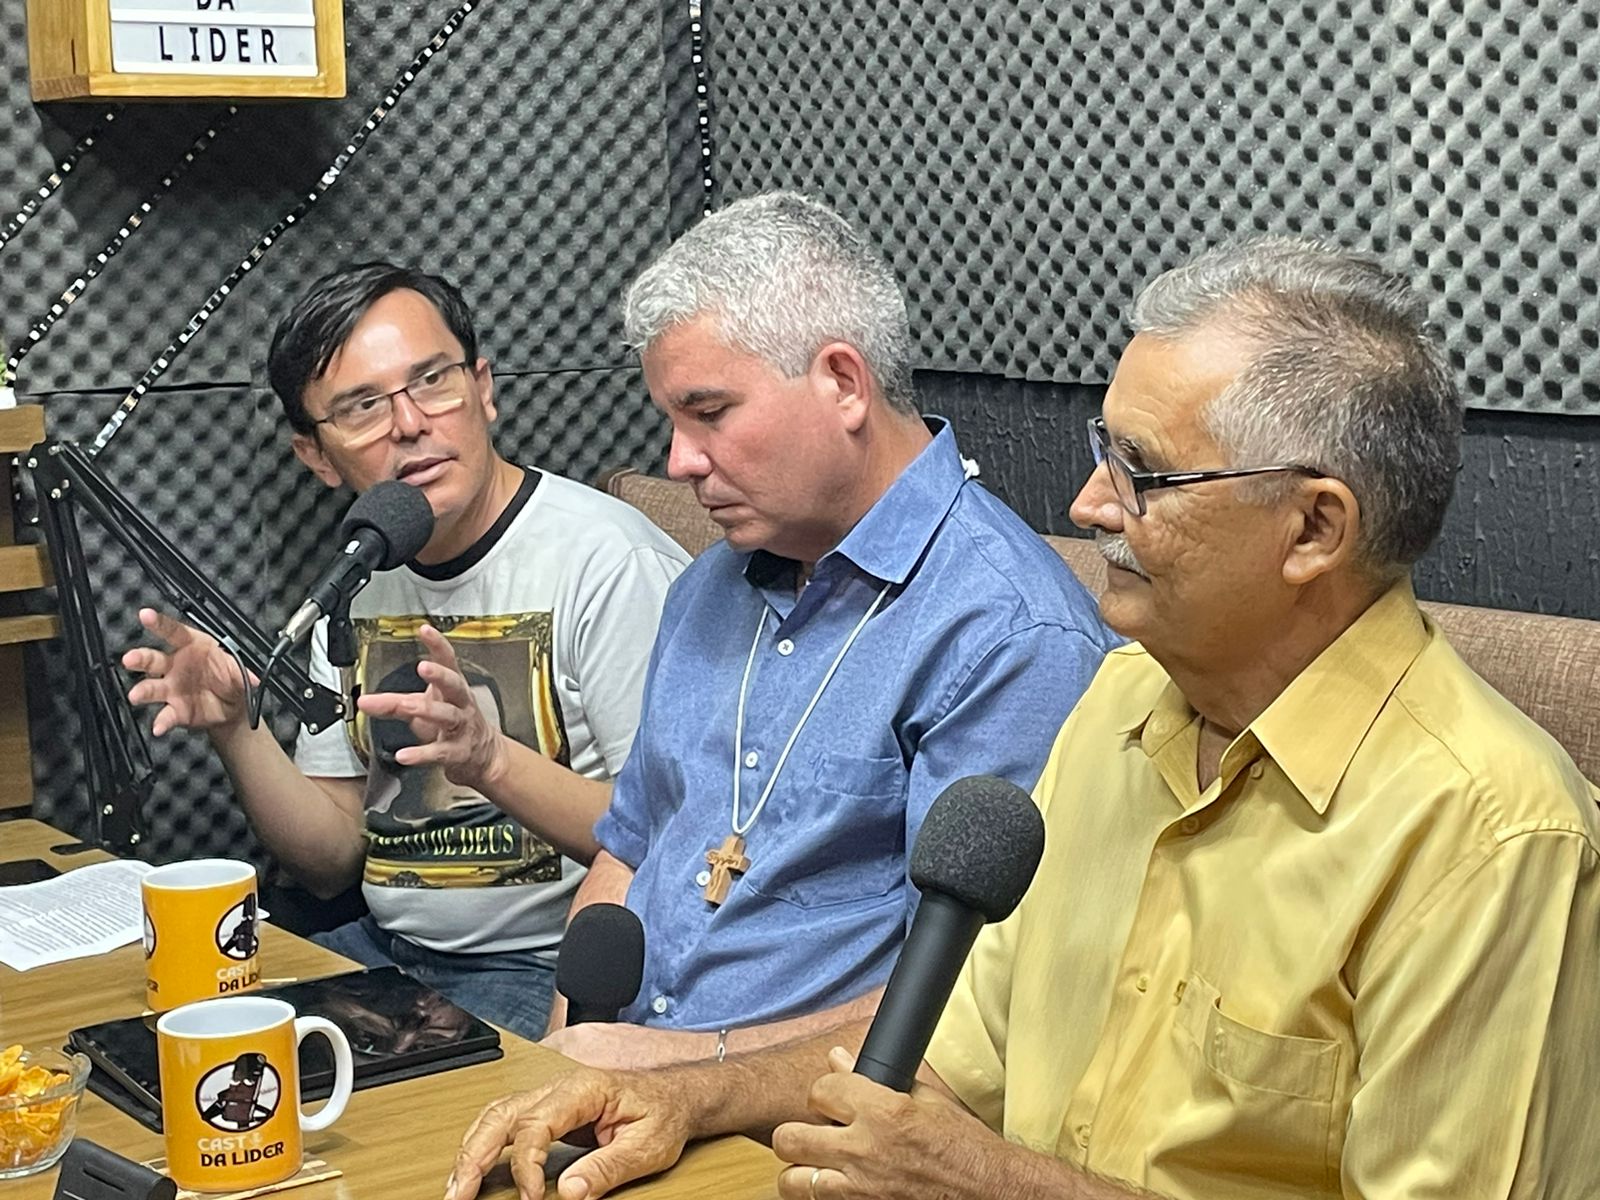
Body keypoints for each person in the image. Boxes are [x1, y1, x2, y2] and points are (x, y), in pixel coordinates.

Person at [445, 240, 1600, 1200]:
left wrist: (995, 1184)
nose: (1086, 503)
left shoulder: (1491, 839)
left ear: (1312, 530)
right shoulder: (1117, 713)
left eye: (1140, 473)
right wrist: (678, 1094)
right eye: (1103, 452)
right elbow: (949, 1068)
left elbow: (971, 1152)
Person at [541, 192, 1115, 1069]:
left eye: (709, 412)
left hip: (795, 1131)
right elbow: (630, 851)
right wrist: (562, 1059)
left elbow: (976, 998)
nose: (679, 460)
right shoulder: (707, 586)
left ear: (843, 384)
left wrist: (688, 1077)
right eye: (672, 421)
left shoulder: (1006, 632)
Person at [122, 263, 690, 1040]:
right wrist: (235, 728)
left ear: (484, 389)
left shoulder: (609, 563)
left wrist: (489, 758)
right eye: (363, 407)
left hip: (545, 971)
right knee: (180, 1044)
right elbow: (332, 855)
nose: (410, 423)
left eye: (433, 381)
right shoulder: (358, 575)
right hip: (387, 958)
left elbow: (668, 839)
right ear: (316, 457)